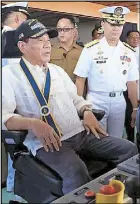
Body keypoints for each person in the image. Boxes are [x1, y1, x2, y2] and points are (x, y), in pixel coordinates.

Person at [2, 19, 138, 196]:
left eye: (48, 40)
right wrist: (33, 123)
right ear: (22, 46)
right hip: (48, 143)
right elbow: (3, 115)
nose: (47, 45)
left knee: (129, 149)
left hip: (80, 133)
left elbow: (76, 99)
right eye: (39, 41)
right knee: (76, 171)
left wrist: (86, 111)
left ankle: (121, 195)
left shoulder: (56, 71)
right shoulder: (9, 75)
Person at [74, 6, 139, 138]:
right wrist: (79, 107)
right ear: (103, 24)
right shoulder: (90, 49)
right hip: (96, 100)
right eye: (112, 24)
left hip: (119, 101)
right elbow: (80, 80)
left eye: (119, 24)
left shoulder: (129, 51)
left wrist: (135, 108)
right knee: (97, 140)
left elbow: (132, 82)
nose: (115, 28)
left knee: (116, 139)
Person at [2, 2, 30, 192]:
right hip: (14, 105)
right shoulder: (12, 39)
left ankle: (11, 185)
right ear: (18, 19)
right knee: (19, 149)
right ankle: (16, 186)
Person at [50, 15, 83, 82]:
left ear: (74, 31)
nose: (62, 32)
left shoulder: (82, 52)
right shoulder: (50, 50)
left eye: (66, 29)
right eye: (59, 29)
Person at [123, 30, 140, 142]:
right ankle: (130, 141)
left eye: (137, 37)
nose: (135, 39)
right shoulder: (123, 52)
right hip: (127, 90)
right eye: (132, 37)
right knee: (129, 118)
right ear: (127, 39)